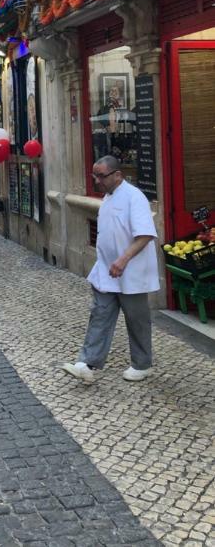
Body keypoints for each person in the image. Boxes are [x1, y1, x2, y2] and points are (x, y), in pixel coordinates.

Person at [63, 155, 159, 385]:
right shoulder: (107, 197)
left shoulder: (135, 198)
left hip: (130, 271)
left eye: (101, 176)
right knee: (100, 314)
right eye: (94, 176)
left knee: (137, 319)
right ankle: (86, 363)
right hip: (107, 271)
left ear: (117, 175)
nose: (97, 181)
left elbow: (145, 234)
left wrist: (123, 260)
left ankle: (142, 364)